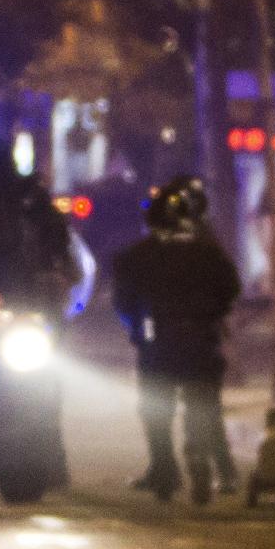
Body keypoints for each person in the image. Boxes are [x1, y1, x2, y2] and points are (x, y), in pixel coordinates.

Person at [112, 176, 242, 505]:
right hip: (201, 339)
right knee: (200, 405)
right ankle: (198, 459)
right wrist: (211, 314)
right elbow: (231, 289)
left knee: (156, 410)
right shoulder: (208, 253)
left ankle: (165, 470)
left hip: (157, 344)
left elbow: (124, 300)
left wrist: (139, 330)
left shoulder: (139, 255)